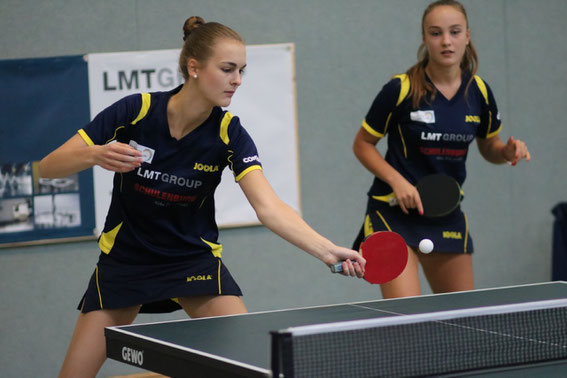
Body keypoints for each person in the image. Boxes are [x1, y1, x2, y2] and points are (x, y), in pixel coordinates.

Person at [40, 16, 365, 377]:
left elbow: (269, 207)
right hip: (126, 262)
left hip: (192, 263)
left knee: (250, 366)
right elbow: (49, 167)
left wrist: (325, 250)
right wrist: (95, 154)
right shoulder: (136, 111)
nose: (237, 80)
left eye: (241, 70)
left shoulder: (229, 133)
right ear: (194, 67)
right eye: (227, 69)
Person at [352, 0, 530, 299]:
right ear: (424, 38)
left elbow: (489, 146)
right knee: (407, 321)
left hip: (445, 214)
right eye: (436, 33)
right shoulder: (401, 89)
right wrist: (398, 181)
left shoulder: (480, 93)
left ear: (467, 36)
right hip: (393, 212)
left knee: (461, 318)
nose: (446, 41)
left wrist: (506, 152)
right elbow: (362, 144)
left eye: (454, 32)